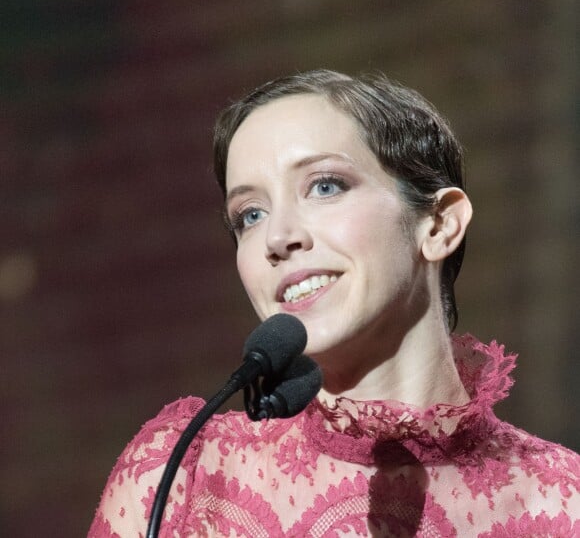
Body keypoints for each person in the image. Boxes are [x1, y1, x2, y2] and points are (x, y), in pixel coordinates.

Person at [89, 70, 580, 537]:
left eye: (325, 186)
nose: (278, 237)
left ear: (438, 224)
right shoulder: (184, 475)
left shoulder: (563, 506)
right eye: (250, 214)